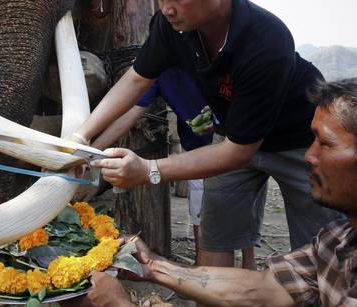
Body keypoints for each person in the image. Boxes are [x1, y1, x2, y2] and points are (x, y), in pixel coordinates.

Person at [70, 0, 343, 270]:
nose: (166, 9)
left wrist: (149, 169)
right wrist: (81, 138)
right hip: (231, 136)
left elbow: (240, 152)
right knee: (214, 241)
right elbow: (136, 79)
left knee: (319, 251)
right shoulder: (172, 26)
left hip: (298, 142)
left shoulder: (266, 39)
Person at [68, 77, 357, 307]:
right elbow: (265, 288)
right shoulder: (336, 241)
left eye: (326, 144)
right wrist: (153, 266)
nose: (308, 155)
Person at [89, 65, 264, 269]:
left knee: (246, 206)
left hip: (236, 143)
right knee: (200, 211)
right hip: (196, 153)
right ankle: (203, 269)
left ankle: (249, 264)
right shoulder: (157, 67)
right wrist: (91, 150)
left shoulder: (212, 54)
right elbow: (131, 113)